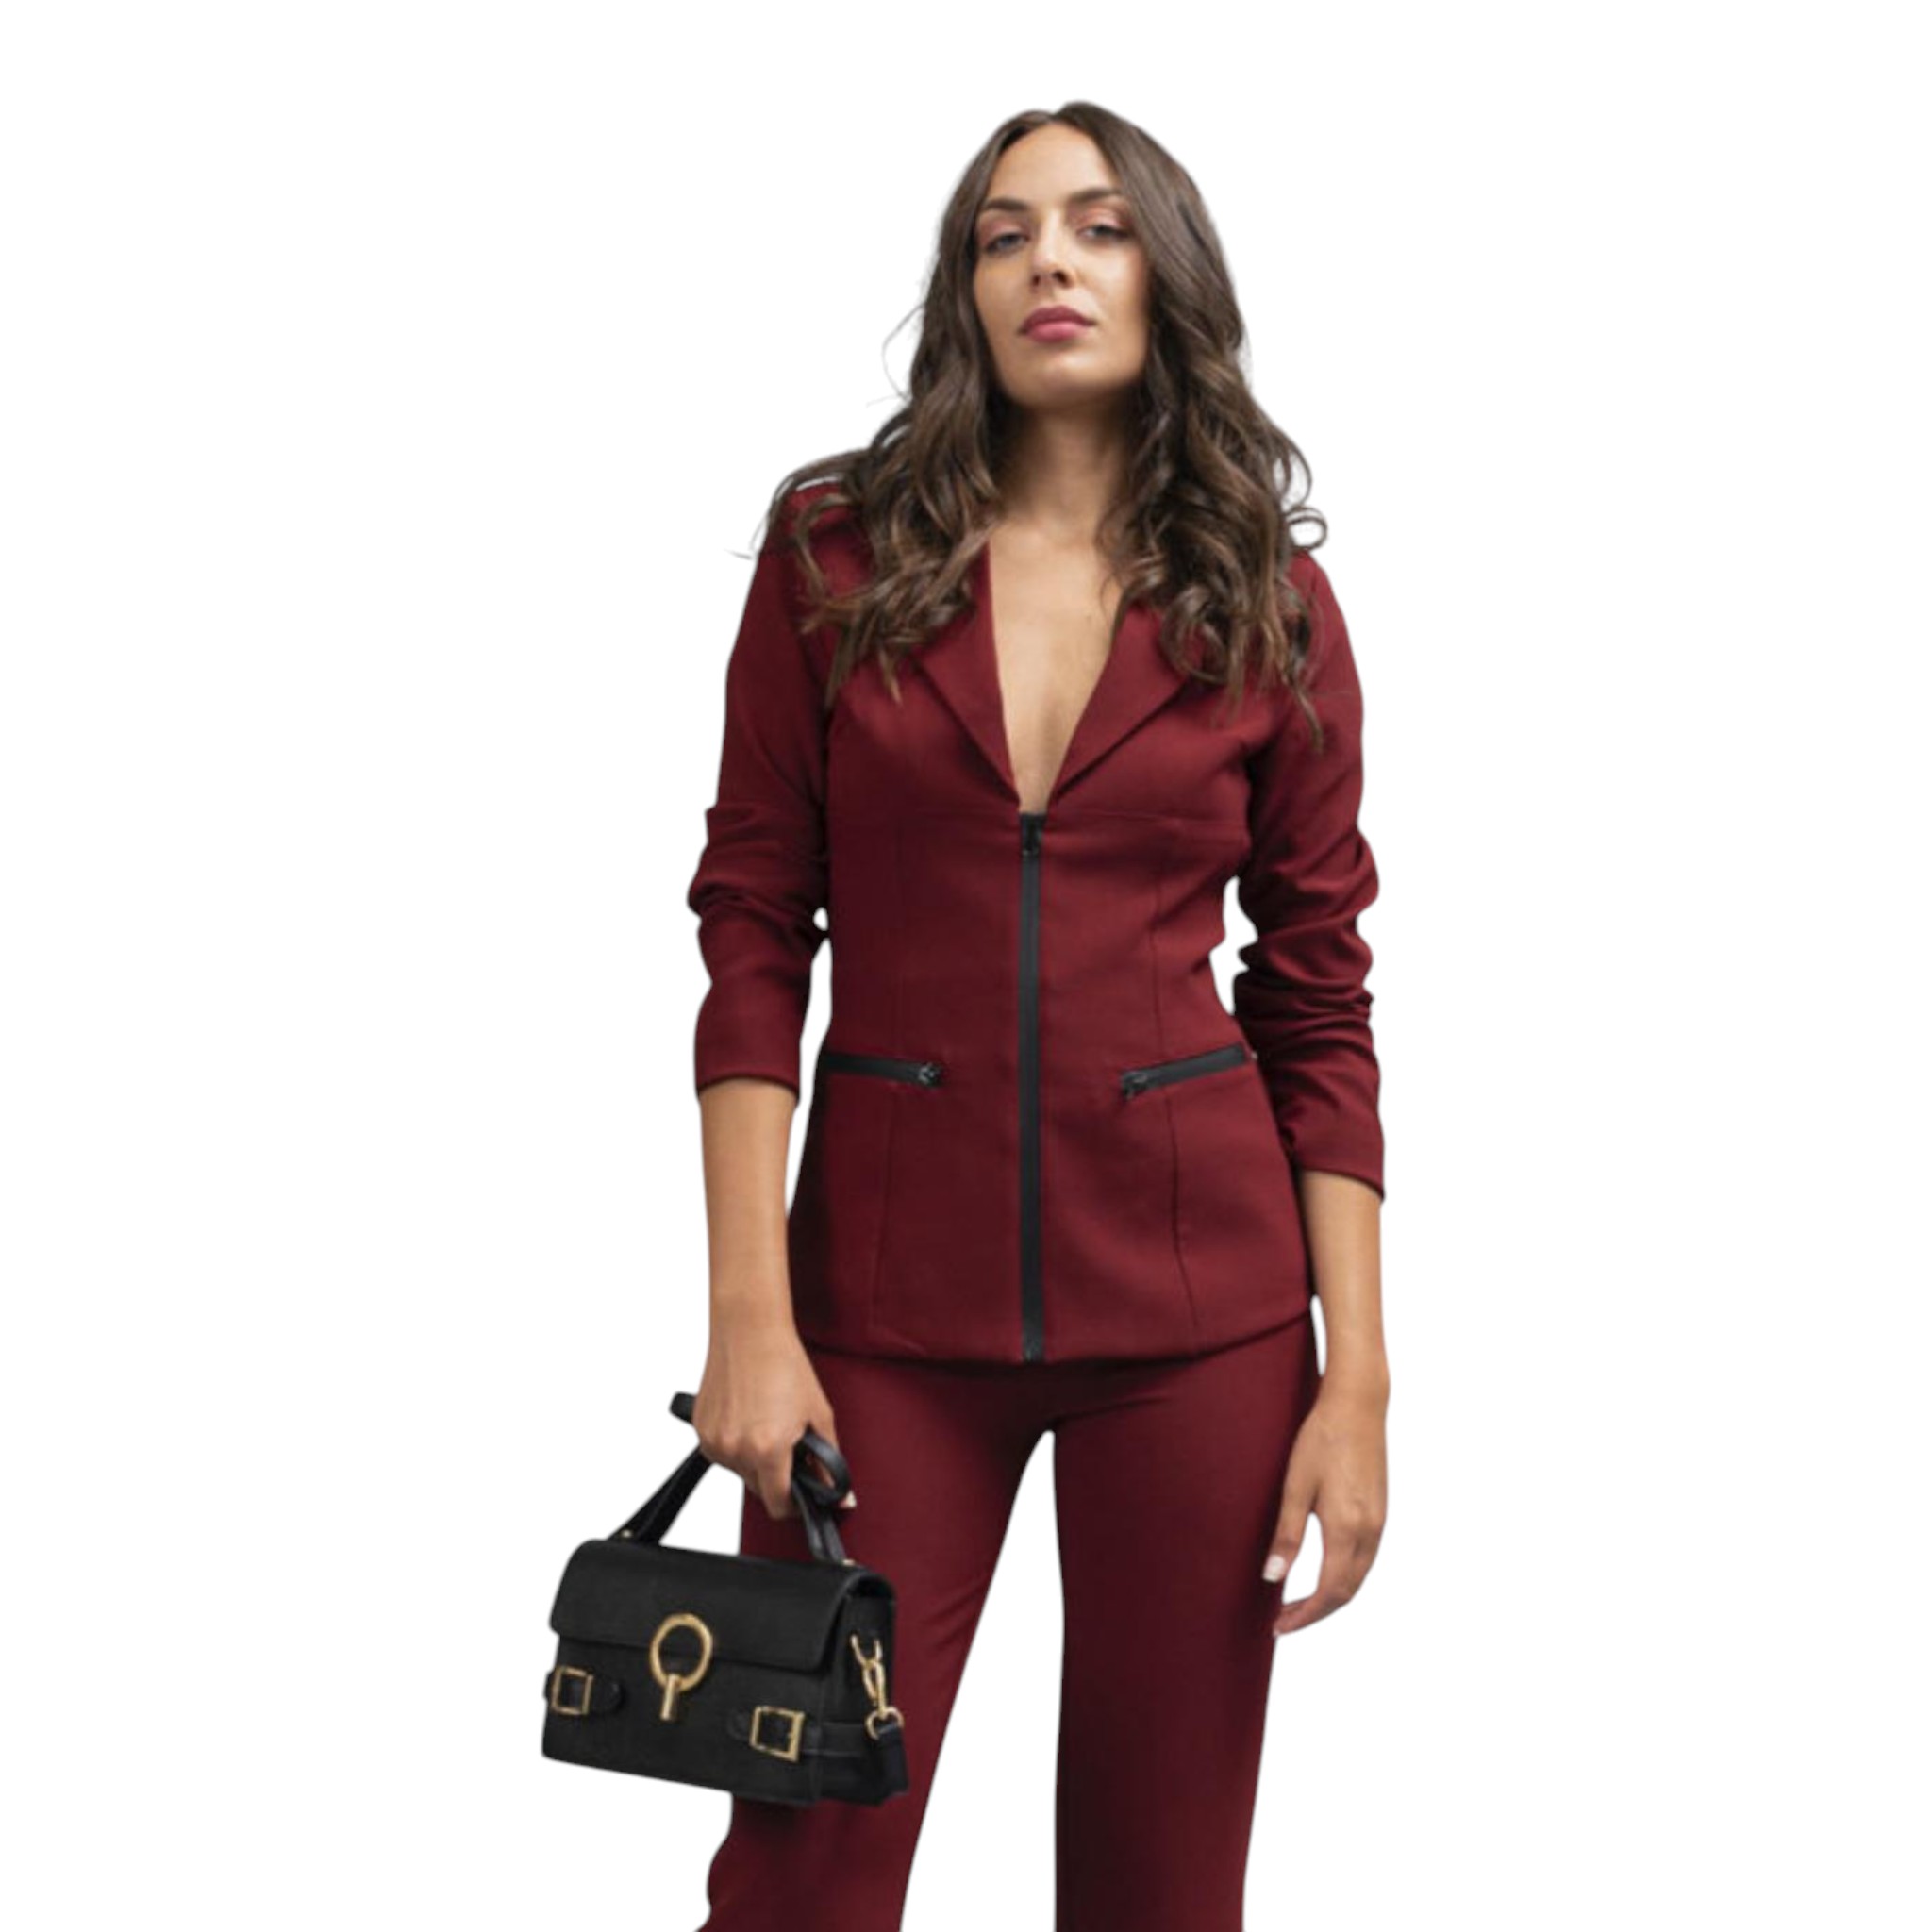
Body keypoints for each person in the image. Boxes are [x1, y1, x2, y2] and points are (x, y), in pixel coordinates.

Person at [682, 102, 1390, 1931]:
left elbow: (1317, 993)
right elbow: (752, 926)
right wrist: (749, 1313)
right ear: (966, 290)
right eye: (1004, 235)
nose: (1048, 262)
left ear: (1167, 277)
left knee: (1161, 1889)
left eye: (1096, 226)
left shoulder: (1269, 602)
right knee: (799, 1879)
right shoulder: (833, 557)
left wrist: (1359, 1377)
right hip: (875, 1318)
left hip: (1202, 1321)